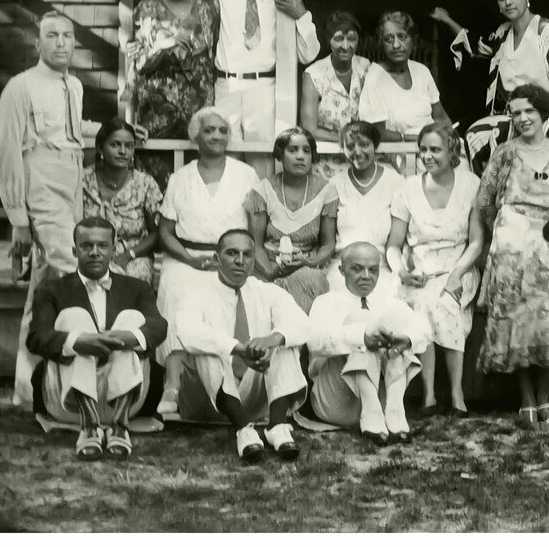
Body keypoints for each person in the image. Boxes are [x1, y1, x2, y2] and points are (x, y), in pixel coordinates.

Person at [0, 11, 110, 406]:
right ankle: (83, 381)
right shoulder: (19, 87)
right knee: (73, 271)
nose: (61, 43)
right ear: (37, 44)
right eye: (52, 36)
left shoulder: (73, 86)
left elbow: (74, 127)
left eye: (68, 36)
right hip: (40, 182)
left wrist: (111, 130)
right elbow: (7, 153)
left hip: (71, 180)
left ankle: (27, 389)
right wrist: (18, 219)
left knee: (42, 288)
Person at [474, 84, 549, 429]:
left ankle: (545, 399)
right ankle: (526, 401)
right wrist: (507, 232)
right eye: (516, 113)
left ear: (544, 114)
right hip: (511, 248)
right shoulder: (504, 153)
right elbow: (484, 202)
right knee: (516, 323)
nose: (522, 118)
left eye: (529, 112)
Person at [26, 216, 167, 461]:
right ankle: (89, 426)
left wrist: (127, 338)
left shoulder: (136, 288)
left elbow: (158, 327)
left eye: (102, 246)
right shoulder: (52, 290)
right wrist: (78, 342)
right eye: (87, 246)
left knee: (132, 319)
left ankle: (120, 428)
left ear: (113, 250)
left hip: (126, 400)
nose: (95, 252)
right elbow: (37, 338)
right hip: (67, 401)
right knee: (74, 317)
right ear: (74, 250)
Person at [430, 0, 549, 173]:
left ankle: (525, 194)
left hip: (547, 117)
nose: (508, 2)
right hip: (511, 116)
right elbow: (476, 46)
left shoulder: (548, 31)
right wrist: (446, 20)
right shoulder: (503, 33)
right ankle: (490, 198)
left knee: (530, 143)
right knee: (475, 135)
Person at [155, 108, 259, 415]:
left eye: (223, 131)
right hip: (188, 259)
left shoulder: (245, 174)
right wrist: (189, 259)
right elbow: (166, 233)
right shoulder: (180, 178)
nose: (217, 136)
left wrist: (238, 259)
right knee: (176, 291)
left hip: (232, 259)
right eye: (209, 130)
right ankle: (173, 386)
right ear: (196, 136)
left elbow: (255, 227)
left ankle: (228, 383)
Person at [177, 229, 308, 463]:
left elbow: (303, 324)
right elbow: (187, 332)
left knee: (284, 340)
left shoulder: (265, 291)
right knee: (210, 347)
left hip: (253, 394)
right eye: (232, 253)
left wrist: (271, 340)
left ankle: (277, 426)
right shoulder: (196, 291)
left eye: (247, 254)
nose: (240, 261)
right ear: (217, 259)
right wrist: (238, 348)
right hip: (209, 400)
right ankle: (242, 430)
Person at [385, 123, 484, 417]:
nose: (427, 156)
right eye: (423, 150)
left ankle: (455, 393)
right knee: (425, 302)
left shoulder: (471, 184)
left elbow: (477, 242)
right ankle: (428, 393)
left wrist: (456, 275)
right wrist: (401, 271)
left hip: (459, 267)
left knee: (443, 303)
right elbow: (393, 243)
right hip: (420, 271)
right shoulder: (407, 189)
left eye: (435, 150)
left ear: (452, 151)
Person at [307, 242, 430, 446]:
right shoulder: (327, 302)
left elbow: (424, 329)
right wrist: (361, 337)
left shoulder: (386, 301)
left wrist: (404, 339)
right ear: (341, 270)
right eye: (357, 269)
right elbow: (315, 342)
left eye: (373, 270)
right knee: (361, 323)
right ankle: (371, 411)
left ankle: (395, 410)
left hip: (382, 405)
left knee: (396, 327)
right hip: (338, 401)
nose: (366, 276)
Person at [209, 0, 320, 143]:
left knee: (261, 160)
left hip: (263, 89)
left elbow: (308, 54)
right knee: (226, 155)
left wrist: (301, 15)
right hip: (226, 87)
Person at [125, 0, 220, 139]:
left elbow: (217, 53)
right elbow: (138, 65)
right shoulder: (147, 9)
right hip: (157, 110)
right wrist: (162, 46)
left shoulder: (210, 7)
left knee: (197, 165)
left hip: (199, 108)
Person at [245, 127, 337, 314]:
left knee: (311, 279)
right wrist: (272, 272)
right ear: (280, 154)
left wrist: (310, 263)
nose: (300, 156)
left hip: (307, 265)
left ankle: (300, 341)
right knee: (258, 292)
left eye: (306, 151)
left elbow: (328, 244)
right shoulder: (263, 190)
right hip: (267, 266)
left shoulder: (326, 190)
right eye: (293, 150)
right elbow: (255, 243)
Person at [324, 121, 404, 294]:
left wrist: (399, 270)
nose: (358, 152)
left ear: (375, 146)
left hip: (380, 269)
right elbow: (327, 241)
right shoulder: (335, 185)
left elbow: (396, 242)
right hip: (342, 270)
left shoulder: (395, 182)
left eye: (365, 145)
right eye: (351, 146)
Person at [82, 118, 163, 285]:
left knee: (132, 281)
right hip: (89, 253)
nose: (122, 151)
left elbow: (157, 233)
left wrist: (128, 255)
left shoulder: (145, 184)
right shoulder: (82, 181)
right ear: (100, 148)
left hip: (132, 255)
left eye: (129, 146)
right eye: (115, 145)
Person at [358, 11, 452, 143]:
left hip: (433, 145)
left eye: (402, 36)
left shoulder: (422, 71)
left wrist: (451, 137)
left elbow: (441, 117)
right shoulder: (375, 78)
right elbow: (376, 132)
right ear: (381, 44)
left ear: (412, 40)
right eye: (388, 39)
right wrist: (418, 139)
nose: (396, 45)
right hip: (400, 150)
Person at [300, 10, 371, 178]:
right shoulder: (314, 74)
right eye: (339, 38)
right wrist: (344, 137)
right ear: (328, 40)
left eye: (352, 38)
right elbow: (310, 128)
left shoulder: (366, 67)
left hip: (363, 157)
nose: (346, 46)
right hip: (326, 159)